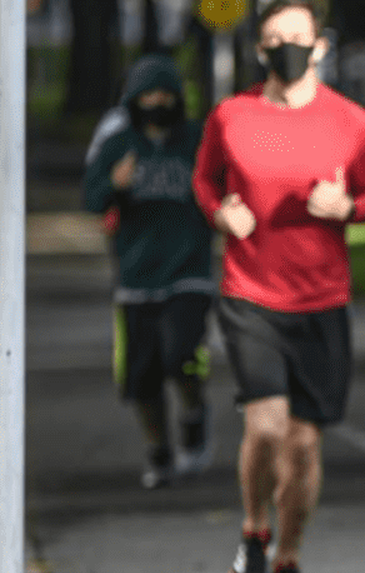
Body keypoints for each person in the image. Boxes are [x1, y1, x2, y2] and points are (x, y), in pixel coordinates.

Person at [192, 0, 365, 573]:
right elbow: (204, 180)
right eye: (275, 38)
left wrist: (348, 208)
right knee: (266, 427)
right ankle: (255, 529)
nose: (287, 48)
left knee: (304, 446)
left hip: (321, 299)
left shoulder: (351, 121)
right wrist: (220, 212)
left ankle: (288, 559)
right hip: (250, 293)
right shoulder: (232, 115)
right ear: (260, 49)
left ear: (320, 46)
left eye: (297, 38)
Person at [83, 53, 217, 490]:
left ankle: (194, 415)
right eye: (147, 94)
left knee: (182, 354)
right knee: (143, 377)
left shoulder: (196, 141)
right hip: (137, 277)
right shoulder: (118, 144)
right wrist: (116, 186)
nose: (156, 101)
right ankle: (159, 451)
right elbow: (91, 198)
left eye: (164, 92)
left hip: (188, 272)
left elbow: (225, 189)